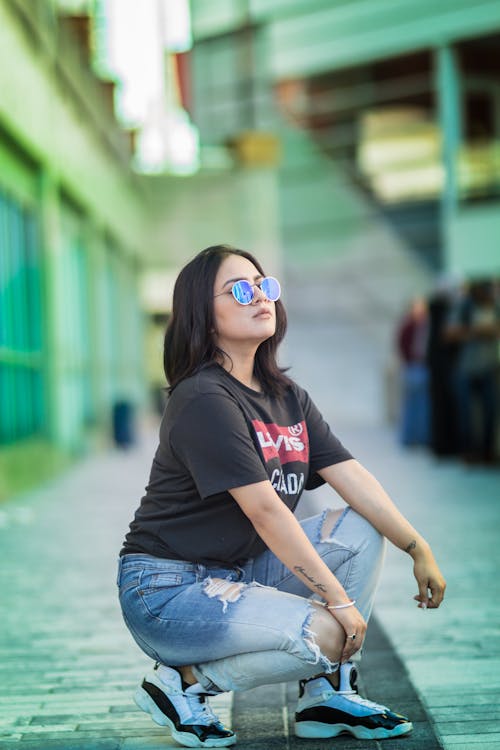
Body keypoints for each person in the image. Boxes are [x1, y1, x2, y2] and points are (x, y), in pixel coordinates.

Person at [117, 245, 446, 748]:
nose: (261, 297)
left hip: (238, 569)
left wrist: (417, 548)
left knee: (359, 527)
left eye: (264, 285)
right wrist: (339, 603)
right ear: (203, 317)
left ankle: (325, 694)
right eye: (240, 290)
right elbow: (267, 512)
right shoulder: (204, 397)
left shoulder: (285, 395)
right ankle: (182, 683)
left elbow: (350, 474)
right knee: (331, 633)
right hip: (167, 591)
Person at [396, 297, 430, 446]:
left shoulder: (422, 324)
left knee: (421, 405)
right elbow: (402, 344)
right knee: (413, 404)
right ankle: (411, 437)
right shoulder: (410, 325)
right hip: (413, 366)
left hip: (419, 366)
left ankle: (420, 436)